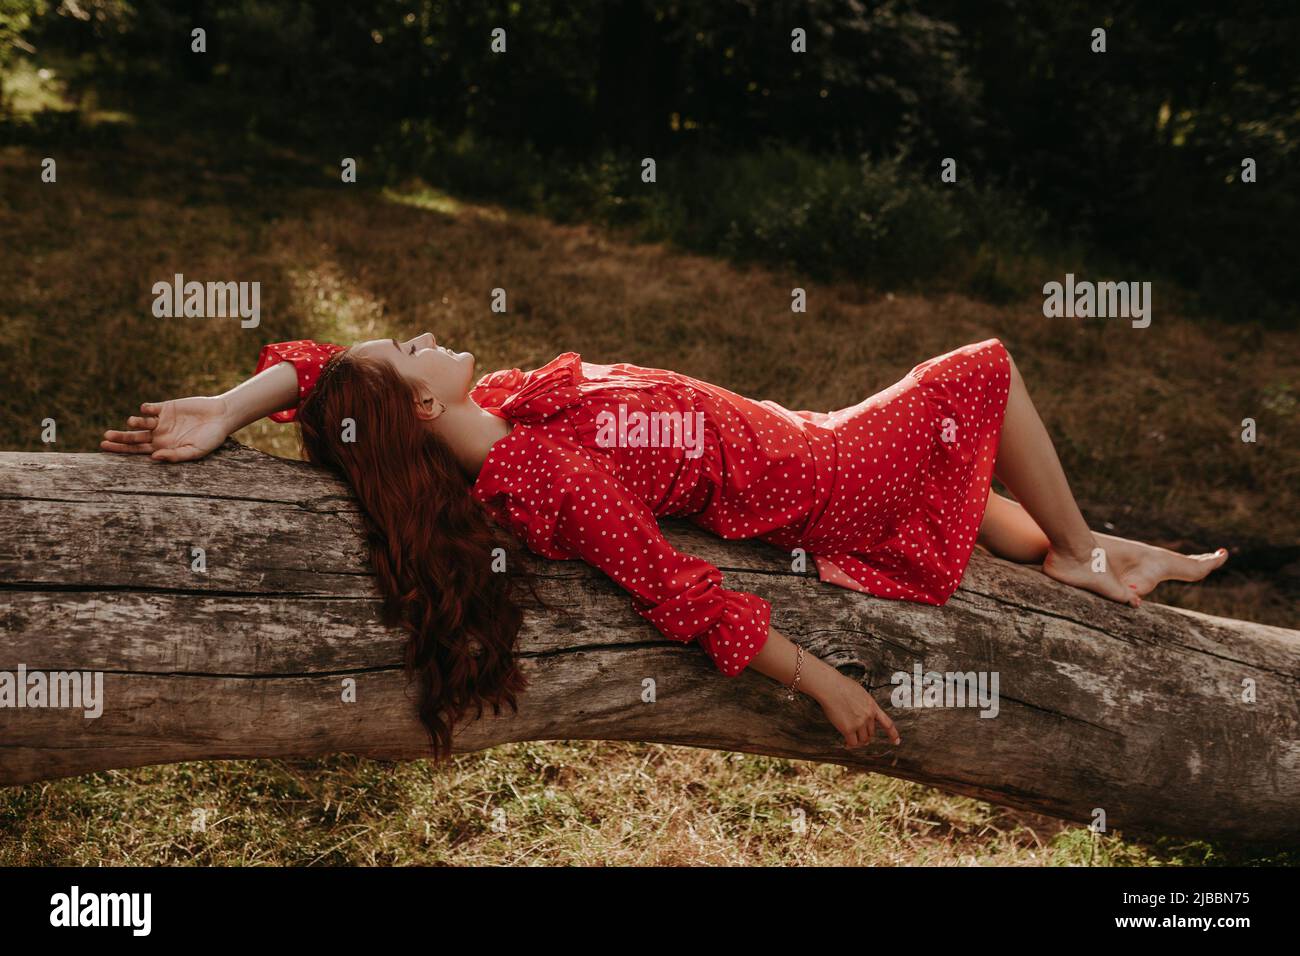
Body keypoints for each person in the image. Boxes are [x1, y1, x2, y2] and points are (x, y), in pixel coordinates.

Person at [101, 334, 1228, 757]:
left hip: (806, 436)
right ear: (427, 415)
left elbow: (329, 367)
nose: (419, 332)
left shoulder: (491, 405)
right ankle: (1082, 551)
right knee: (981, 372)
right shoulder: (538, 471)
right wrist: (822, 679)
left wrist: (228, 401)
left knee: (973, 482)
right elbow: (668, 585)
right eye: (408, 345)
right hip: (821, 479)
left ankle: (1092, 548)